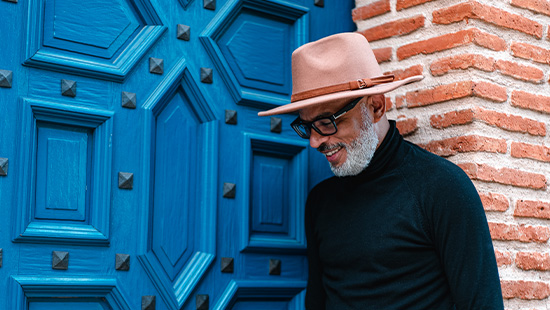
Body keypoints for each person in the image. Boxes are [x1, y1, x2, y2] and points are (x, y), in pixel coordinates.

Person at [258, 33, 503, 309]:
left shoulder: (442, 188)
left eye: (326, 122)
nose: (314, 141)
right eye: (306, 126)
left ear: (375, 106)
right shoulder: (319, 202)